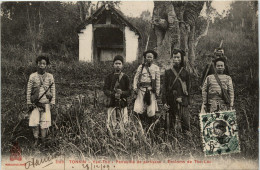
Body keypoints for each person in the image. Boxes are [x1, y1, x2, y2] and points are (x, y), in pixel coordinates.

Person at [27, 55, 55, 146]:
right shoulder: (32, 76)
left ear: (46, 65)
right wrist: (29, 102)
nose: (41, 65)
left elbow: (53, 90)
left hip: (46, 104)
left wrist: (52, 102)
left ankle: (43, 141)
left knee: (45, 123)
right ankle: (36, 140)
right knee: (34, 122)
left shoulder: (50, 77)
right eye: (40, 63)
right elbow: (29, 90)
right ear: (37, 64)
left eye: (44, 64)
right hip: (35, 103)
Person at [162, 49, 191, 134]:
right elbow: (164, 89)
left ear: (181, 58)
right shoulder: (167, 72)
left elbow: (189, 89)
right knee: (170, 124)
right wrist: (164, 102)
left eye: (178, 57)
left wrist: (184, 99)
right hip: (171, 100)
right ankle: (171, 139)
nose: (176, 59)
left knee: (185, 123)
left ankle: (186, 141)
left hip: (183, 101)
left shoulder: (186, 72)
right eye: (174, 57)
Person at [133, 50, 160, 128]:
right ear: (145, 58)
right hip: (141, 89)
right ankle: (139, 124)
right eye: (147, 57)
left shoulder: (156, 68)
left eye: (151, 57)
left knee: (151, 108)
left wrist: (157, 91)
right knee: (138, 107)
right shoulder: (141, 67)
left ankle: (151, 125)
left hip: (151, 90)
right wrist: (135, 87)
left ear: (153, 58)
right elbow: (136, 77)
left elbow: (158, 80)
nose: (149, 58)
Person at [103, 55, 131, 133]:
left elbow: (129, 91)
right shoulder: (108, 77)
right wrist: (112, 94)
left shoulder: (125, 77)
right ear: (113, 65)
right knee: (111, 122)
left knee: (123, 122)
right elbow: (105, 89)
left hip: (122, 102)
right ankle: (111, 137)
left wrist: (122, 93)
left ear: (122, 65)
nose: (118, 65)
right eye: (116, 63)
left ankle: (122, 137)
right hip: (111, 102)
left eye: (119, 63)